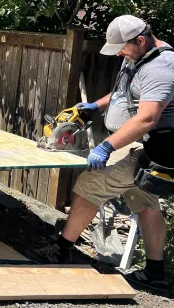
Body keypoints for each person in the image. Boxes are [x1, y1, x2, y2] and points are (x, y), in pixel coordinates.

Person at [32, 15, 174, 292]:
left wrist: (107, 146)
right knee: (143, 202)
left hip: (151, 145)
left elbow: (147, 118)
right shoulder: (138, 56)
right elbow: (123, 91)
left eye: (123, 48)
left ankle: (61, 250)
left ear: (141, 40)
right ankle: (155, 273)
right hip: (139, 143)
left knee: (89, 186)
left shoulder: (162, 67)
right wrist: (94, 107)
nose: (119, 53)